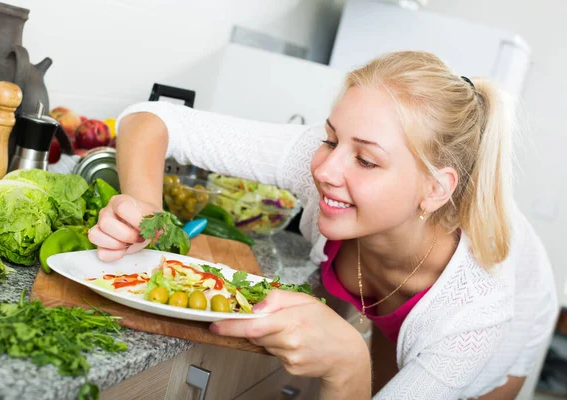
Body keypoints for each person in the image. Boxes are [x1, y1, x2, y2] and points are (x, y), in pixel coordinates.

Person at [88, 51, 559, 399]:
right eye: (331, 138)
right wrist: (145, 207)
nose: (326, 170)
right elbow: (150, 119)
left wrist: (349, 362)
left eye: (367, 160)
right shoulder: (327, 162)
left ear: (436, 189)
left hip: (515, 318)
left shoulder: (474, 317)